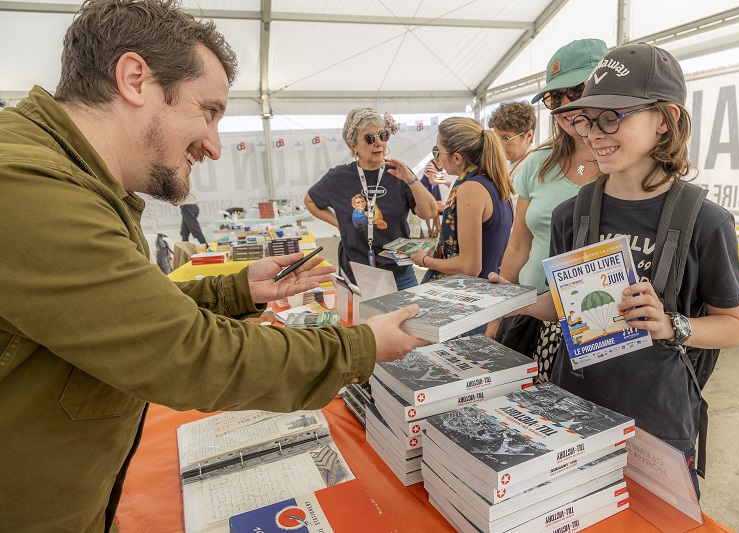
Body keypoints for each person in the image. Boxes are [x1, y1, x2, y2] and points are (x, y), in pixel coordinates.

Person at [0, 2, 426, 531]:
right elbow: (185, 351)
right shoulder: (27, 187)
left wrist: (235, 291)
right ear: (135, 79)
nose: (215, 146)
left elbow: (125, 312)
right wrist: (360, 345)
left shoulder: (68, 181)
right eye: (209, 111)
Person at [492, 42, 739, 494]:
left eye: (614, 117)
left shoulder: (706, 222)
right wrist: (515, 302)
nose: (594, 133)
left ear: (665, 121)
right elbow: (565, 304)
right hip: (574, 411)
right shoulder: (572, 214)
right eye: (588, 119)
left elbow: (733, 326)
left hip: (658, 423)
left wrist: (672, 325)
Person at [488, 39, 608, 383]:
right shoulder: (537, 163)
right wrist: (497, 317)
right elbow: (518, 245)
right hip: (528, 312)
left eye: (577, 89)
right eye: (555, 97)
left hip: (594, 323)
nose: (567, 104)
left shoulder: (621, 167)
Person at [305, 108, 438, 289]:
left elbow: (429, 213)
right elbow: (310, 201)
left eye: (382, 135)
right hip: (356, 272)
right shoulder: (338, 177)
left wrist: (411, 179)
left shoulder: (398, 172)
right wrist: (340, 223)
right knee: (362, 319)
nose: (378, 143)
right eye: (369, 138)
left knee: (410, 316)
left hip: (399, 272)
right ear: (353, 145)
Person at [410, 117, 513, 287]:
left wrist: (425, 260)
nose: (437, 158)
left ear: (457, 158)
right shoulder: (495, 181)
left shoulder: (470, 188)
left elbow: (469, 266)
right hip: (489, 289)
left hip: (471, 293)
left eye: (438, 151)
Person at [487, 100, 537, 211]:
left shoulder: (535, 166)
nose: (499, 144)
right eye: (496, 137)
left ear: (528, 136)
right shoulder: (508, 161)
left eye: (506, 138)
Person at [419, 157, 450, 238]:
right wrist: (444, 182)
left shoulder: (443, 167)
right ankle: (430, 229)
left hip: (434, 188)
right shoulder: (431, 165)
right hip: (426, 187)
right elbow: (431, 180)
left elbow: (440, 177)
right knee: (428, 209)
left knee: (436, 209)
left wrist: (445, 182)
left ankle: (437, 229)